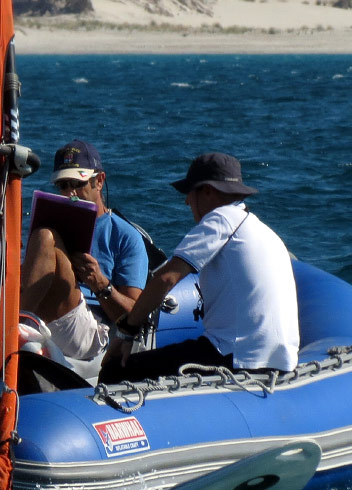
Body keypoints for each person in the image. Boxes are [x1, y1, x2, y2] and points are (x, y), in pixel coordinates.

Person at [100, 152, 299, 384]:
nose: (186, 201)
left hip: (234, 355)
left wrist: (126, 332)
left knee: (115, 371)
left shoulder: (221, 219)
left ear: (206, 191)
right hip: (278, 360)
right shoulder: (263, 231)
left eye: (189, 193)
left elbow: (166, 278)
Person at [20, 140, 149, 363]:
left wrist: (101, 284)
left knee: (44, 235)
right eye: (63, 185)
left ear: (99, 181)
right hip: (51, 315)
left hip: (92, 331)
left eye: (77, 183)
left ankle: (13, 326)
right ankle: (19, 322)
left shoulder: (125, 236)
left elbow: (135, 316)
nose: (70, 192)